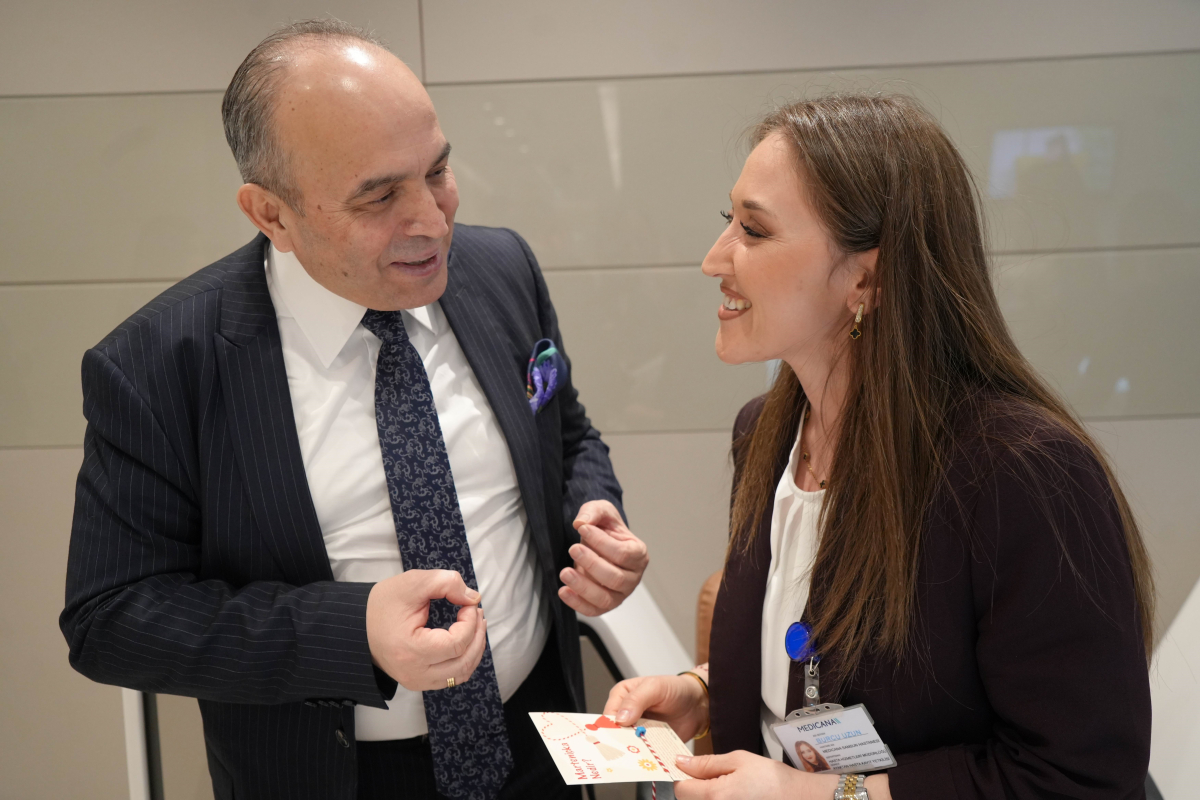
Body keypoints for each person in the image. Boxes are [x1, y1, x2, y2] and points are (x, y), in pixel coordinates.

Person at [60, 19, 649, 800]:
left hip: (540, 741)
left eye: (437, 171)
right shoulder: (160, 364)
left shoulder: (501, 268)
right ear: (271, 215)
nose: (433, 220)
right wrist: (352, 631)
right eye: (379, 197)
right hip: (330, 776)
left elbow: (564, 430)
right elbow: (110, 618)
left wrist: (593, 514)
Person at [603, 93, 1153, 799]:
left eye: (754, 230)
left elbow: (1079, 776)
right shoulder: (765, 433)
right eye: (727, 221)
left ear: (866, 276)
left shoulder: (1022, 473)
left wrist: (817, 796)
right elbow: (828, 663)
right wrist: (703, 692)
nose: (715, 259)